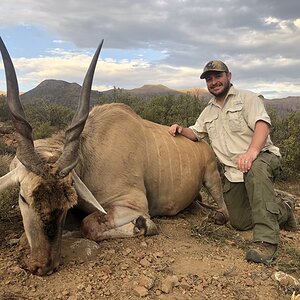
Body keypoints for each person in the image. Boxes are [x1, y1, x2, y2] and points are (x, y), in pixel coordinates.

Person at [169, 60, 298, 265]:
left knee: (255, 170)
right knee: (239, 222)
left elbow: (262, 124)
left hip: (261, 158)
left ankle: (266, 242)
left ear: (229, 76)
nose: (214, 82)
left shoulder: (247, 98)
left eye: (218, 76)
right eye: (209, 79)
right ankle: (284, 209)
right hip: (234, 172)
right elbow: (196, 132)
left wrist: (252, 152)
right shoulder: (208, 111)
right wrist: (180, 129)